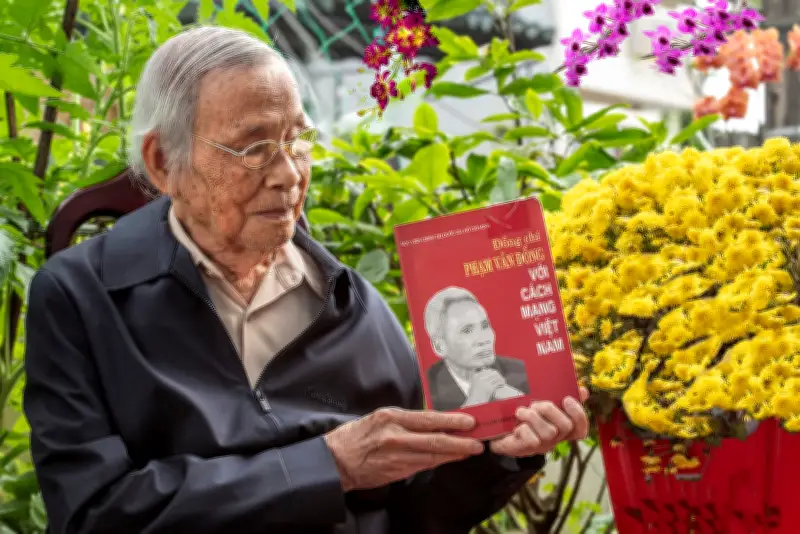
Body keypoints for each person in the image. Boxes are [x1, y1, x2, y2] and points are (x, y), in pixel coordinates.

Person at [22, 26, 589, 534]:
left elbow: (415, 512)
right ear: (164, 162)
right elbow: (93, 512)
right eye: (253, 148)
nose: (289, 173)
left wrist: (501, 453)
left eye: (298, 140)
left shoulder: (350, 301)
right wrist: (329, 466)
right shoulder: (81, 297)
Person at [424, 286, 530, 411]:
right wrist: (476, 400)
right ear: (439, 346)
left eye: (485, 326)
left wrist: (519, 401)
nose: (484, 339)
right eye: (467, 331)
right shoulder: (426, 388)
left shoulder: (519, 371)